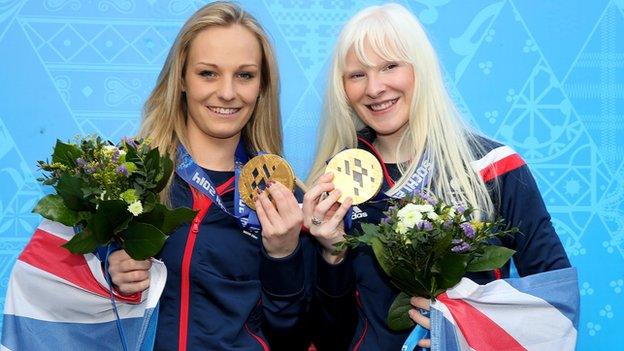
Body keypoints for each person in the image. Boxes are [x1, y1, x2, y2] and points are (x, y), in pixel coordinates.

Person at [303, 3, 572, 350]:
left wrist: (469, 330)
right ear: (342, 87)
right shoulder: (336, 184)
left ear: (421, 70)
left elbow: (555, 304)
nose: (373, 87)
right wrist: (331, 255)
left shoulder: (493, 166)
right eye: (357, 74)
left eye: (389, 66)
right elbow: (326, 335)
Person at [107, 2, 310, 350]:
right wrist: (106, 272)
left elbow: (294, 337)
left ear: (262, 86)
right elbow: (64, 303)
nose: (228, 92)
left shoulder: (286, 202)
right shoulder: (125, 181)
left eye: (244, 75)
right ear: (182, 79)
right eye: (208, 73)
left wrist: (283, 256)